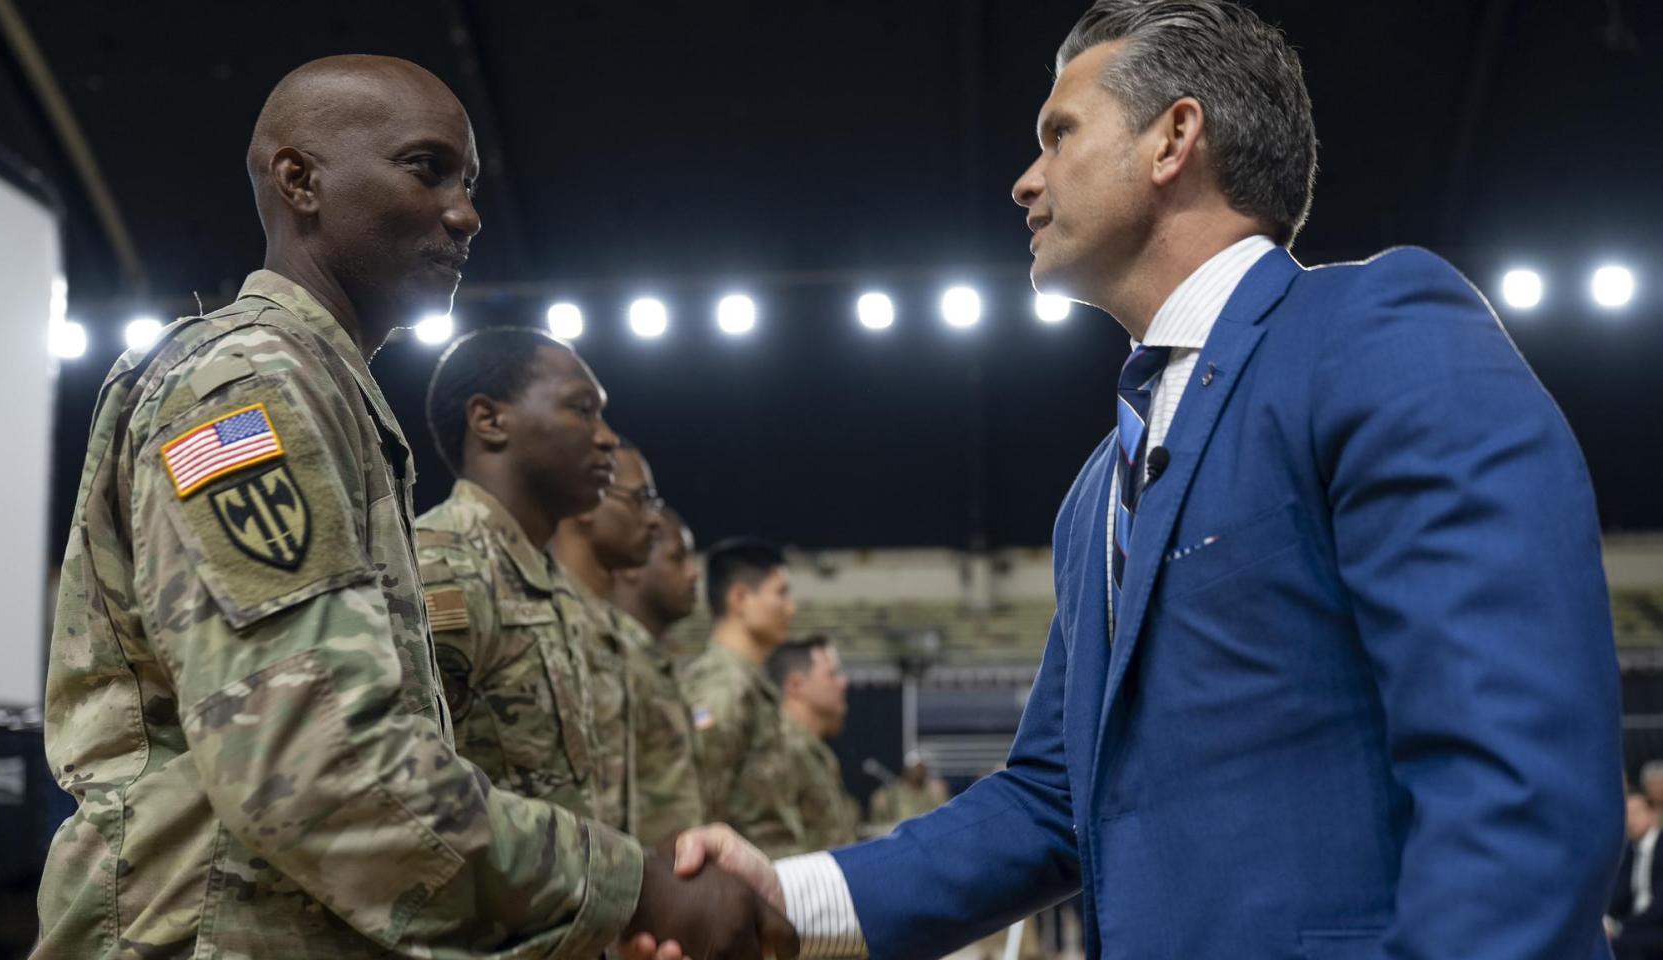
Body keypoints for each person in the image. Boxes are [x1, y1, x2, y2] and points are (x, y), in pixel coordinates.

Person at [660, 3, 1623, 957]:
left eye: (1059, 133)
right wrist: (788, 894)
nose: (1024, 181)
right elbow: (1051, 800)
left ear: (1174, 138)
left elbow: (1517, 774)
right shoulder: (1095, 494)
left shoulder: (1372, 330)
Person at [36, 54, 791, 960]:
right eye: (425, 168)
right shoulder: (248, 386)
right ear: (299, 180)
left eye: (468, 182)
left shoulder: (321, 391)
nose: (465, 213)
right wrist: (628, 889)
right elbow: (319, 770)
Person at [414, 326, 621, 826]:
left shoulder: (551, 583)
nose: (608, 438)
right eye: (582, 409)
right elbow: (403, 800)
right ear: (489, 420)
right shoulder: (438, 567)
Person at [554, 443, 705, 845]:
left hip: (639, 882)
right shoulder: (555, 626)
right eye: (641, 500)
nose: (654, 521)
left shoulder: (620, 642)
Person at [679, 538, 805, 856]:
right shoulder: (723, 686)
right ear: (740, 599)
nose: (791, 608)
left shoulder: (748, 685)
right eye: (780, 593)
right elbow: (701, 809)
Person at [767, 636, 861, 852]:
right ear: (796, 685)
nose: (843, 682)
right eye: (832, 674)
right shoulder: (777, 750)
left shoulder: (816, 753)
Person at [613, 507, 703, 663]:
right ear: (632, 565)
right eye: (677, 558)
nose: (693, 573)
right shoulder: (613, 655)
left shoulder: (650, 657)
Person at [1610, 791, 1663, 959]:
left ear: (1652, 813)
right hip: (1634, 924)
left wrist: (1619, 926)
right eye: (1626, 815)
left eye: (1635, 813)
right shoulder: (1630, 851)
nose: (1630, 821)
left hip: (1655, 927)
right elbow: (1619, 895)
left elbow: (1659, 909)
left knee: (1622, 944)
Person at [866, 751, 949, 830]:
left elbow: (943, 816)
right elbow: (879, 815)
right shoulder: (894, 791)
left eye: (922, 768)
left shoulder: (933, 790)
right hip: (902, 835)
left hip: (926, 834)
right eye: (915, 768)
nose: (919, 772)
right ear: (906, 770)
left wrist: (940, 795)